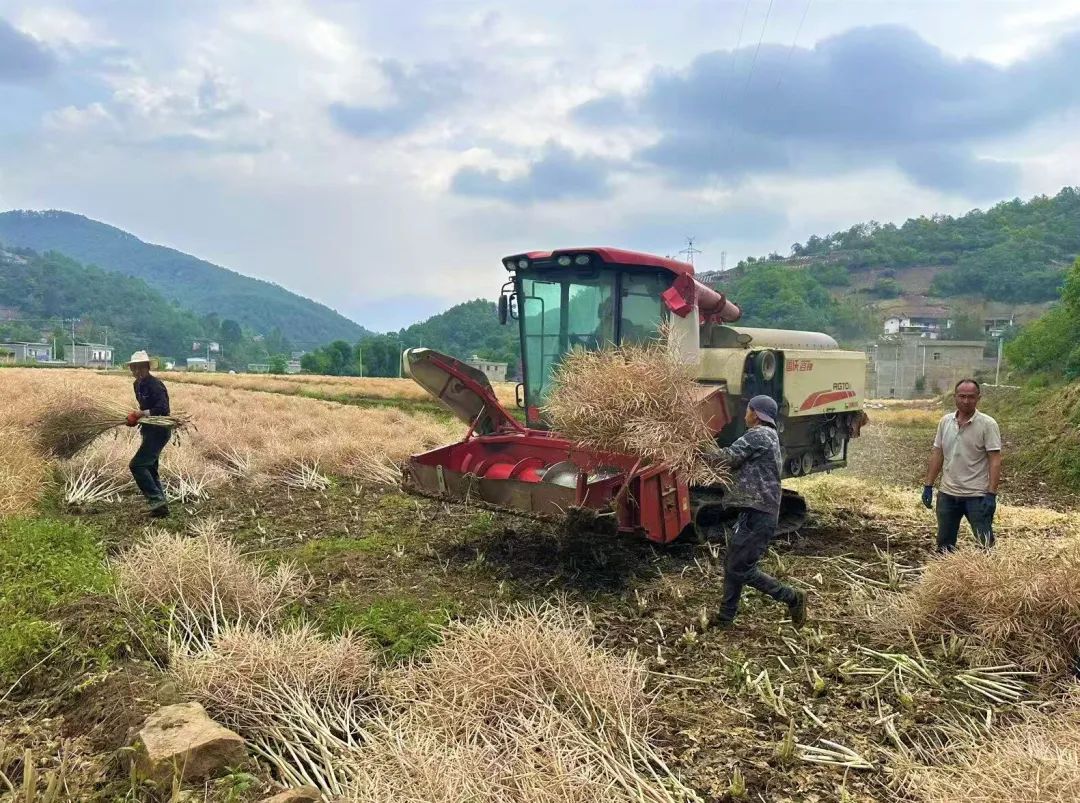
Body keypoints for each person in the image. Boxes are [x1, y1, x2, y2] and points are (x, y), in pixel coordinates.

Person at [703, 395, 807, 629]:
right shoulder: (769, 436)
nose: (745, 414)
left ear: (755, 413)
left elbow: (727, 458)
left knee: (741, 568)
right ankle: (725, 618)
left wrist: (700, 443)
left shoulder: (759, 435)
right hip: (755, 511)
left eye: (748, 410)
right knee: (733, 564)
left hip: (759, 513)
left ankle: (791, 597)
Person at [922, 378, 1002, 551]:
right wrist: (928, 485)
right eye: (962, 396)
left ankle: (989, 575)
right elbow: (938, 453)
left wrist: (991, 494)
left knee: (985, 543)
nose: (966, 401)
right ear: (955, 397)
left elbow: (994, 459)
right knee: (944, 543)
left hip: (977, 496)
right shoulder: (945, 422)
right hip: (948, 495)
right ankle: (945, 575)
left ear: (978, 398)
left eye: (971, 397)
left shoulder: (988, 424)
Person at [126, 350, 171, 518]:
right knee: (150, 468)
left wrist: (140, 414)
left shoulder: (155, 385)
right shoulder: (136, 385)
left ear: (147, 367)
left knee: (137, 465)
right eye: (134, 368)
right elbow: (144, 409)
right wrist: (136, 419)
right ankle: (161, 508)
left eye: (140, 368)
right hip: (148, 429)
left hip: (159, 431)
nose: (137, 372)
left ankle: (155, 500)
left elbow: (163, 409)